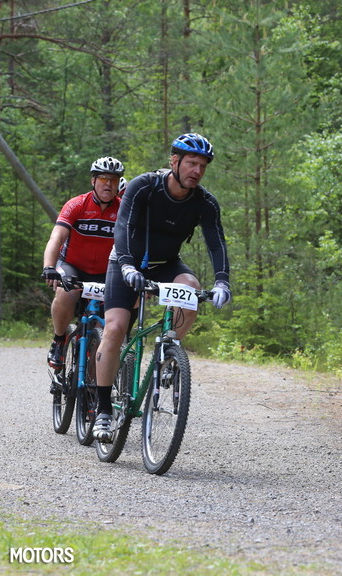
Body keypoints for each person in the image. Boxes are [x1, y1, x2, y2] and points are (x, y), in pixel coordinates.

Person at [91, 133, 232, 442]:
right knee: (115, 328)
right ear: (174, 162)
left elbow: (216, 242)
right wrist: (127, 265)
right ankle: (102, 410)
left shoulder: (205, 203)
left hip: (166, 262)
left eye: (202, 166)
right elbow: (123, 225)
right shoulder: (145, 186)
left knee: (192, 290)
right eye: (192, 163)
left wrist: (222, 280)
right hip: (125, 260)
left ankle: (168, 353)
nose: (197, 170)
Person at [42, 156, 125, 370]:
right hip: (72, 266)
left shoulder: (123, 209)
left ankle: (93, 377)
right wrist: (49, 267)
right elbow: (57, 238)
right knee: (64, 292)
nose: (109, 184)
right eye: (104, 179)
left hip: (107, 272)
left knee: (106, 327)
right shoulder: (77, 204)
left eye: (114, 180)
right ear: (93, 181)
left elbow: (133, 246)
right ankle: (59, 339)